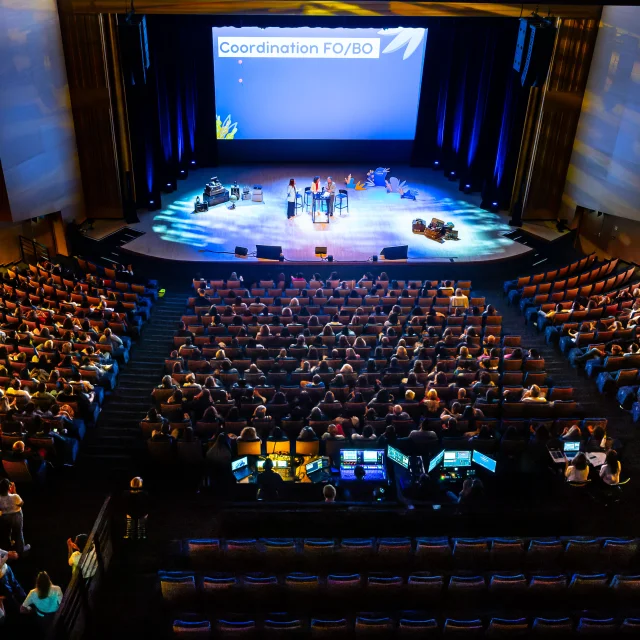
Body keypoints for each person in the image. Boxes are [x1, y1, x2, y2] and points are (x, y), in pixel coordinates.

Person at [0, 479, 29, 557]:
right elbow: (21, 504)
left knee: (6, 533)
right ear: (9, 487)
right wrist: (14, 491)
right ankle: (21, 550)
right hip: (16, 516)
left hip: (5, 517)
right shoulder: (15, 496)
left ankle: (8, 549)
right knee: (19, 532)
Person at [0, 548, 25, 621]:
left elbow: (5, 553)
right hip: (2, 577)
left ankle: (25, 598)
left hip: (7, 569)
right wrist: (6, 557)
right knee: (10, 593)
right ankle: (19, 608)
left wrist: (10, 554)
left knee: (16, 584)